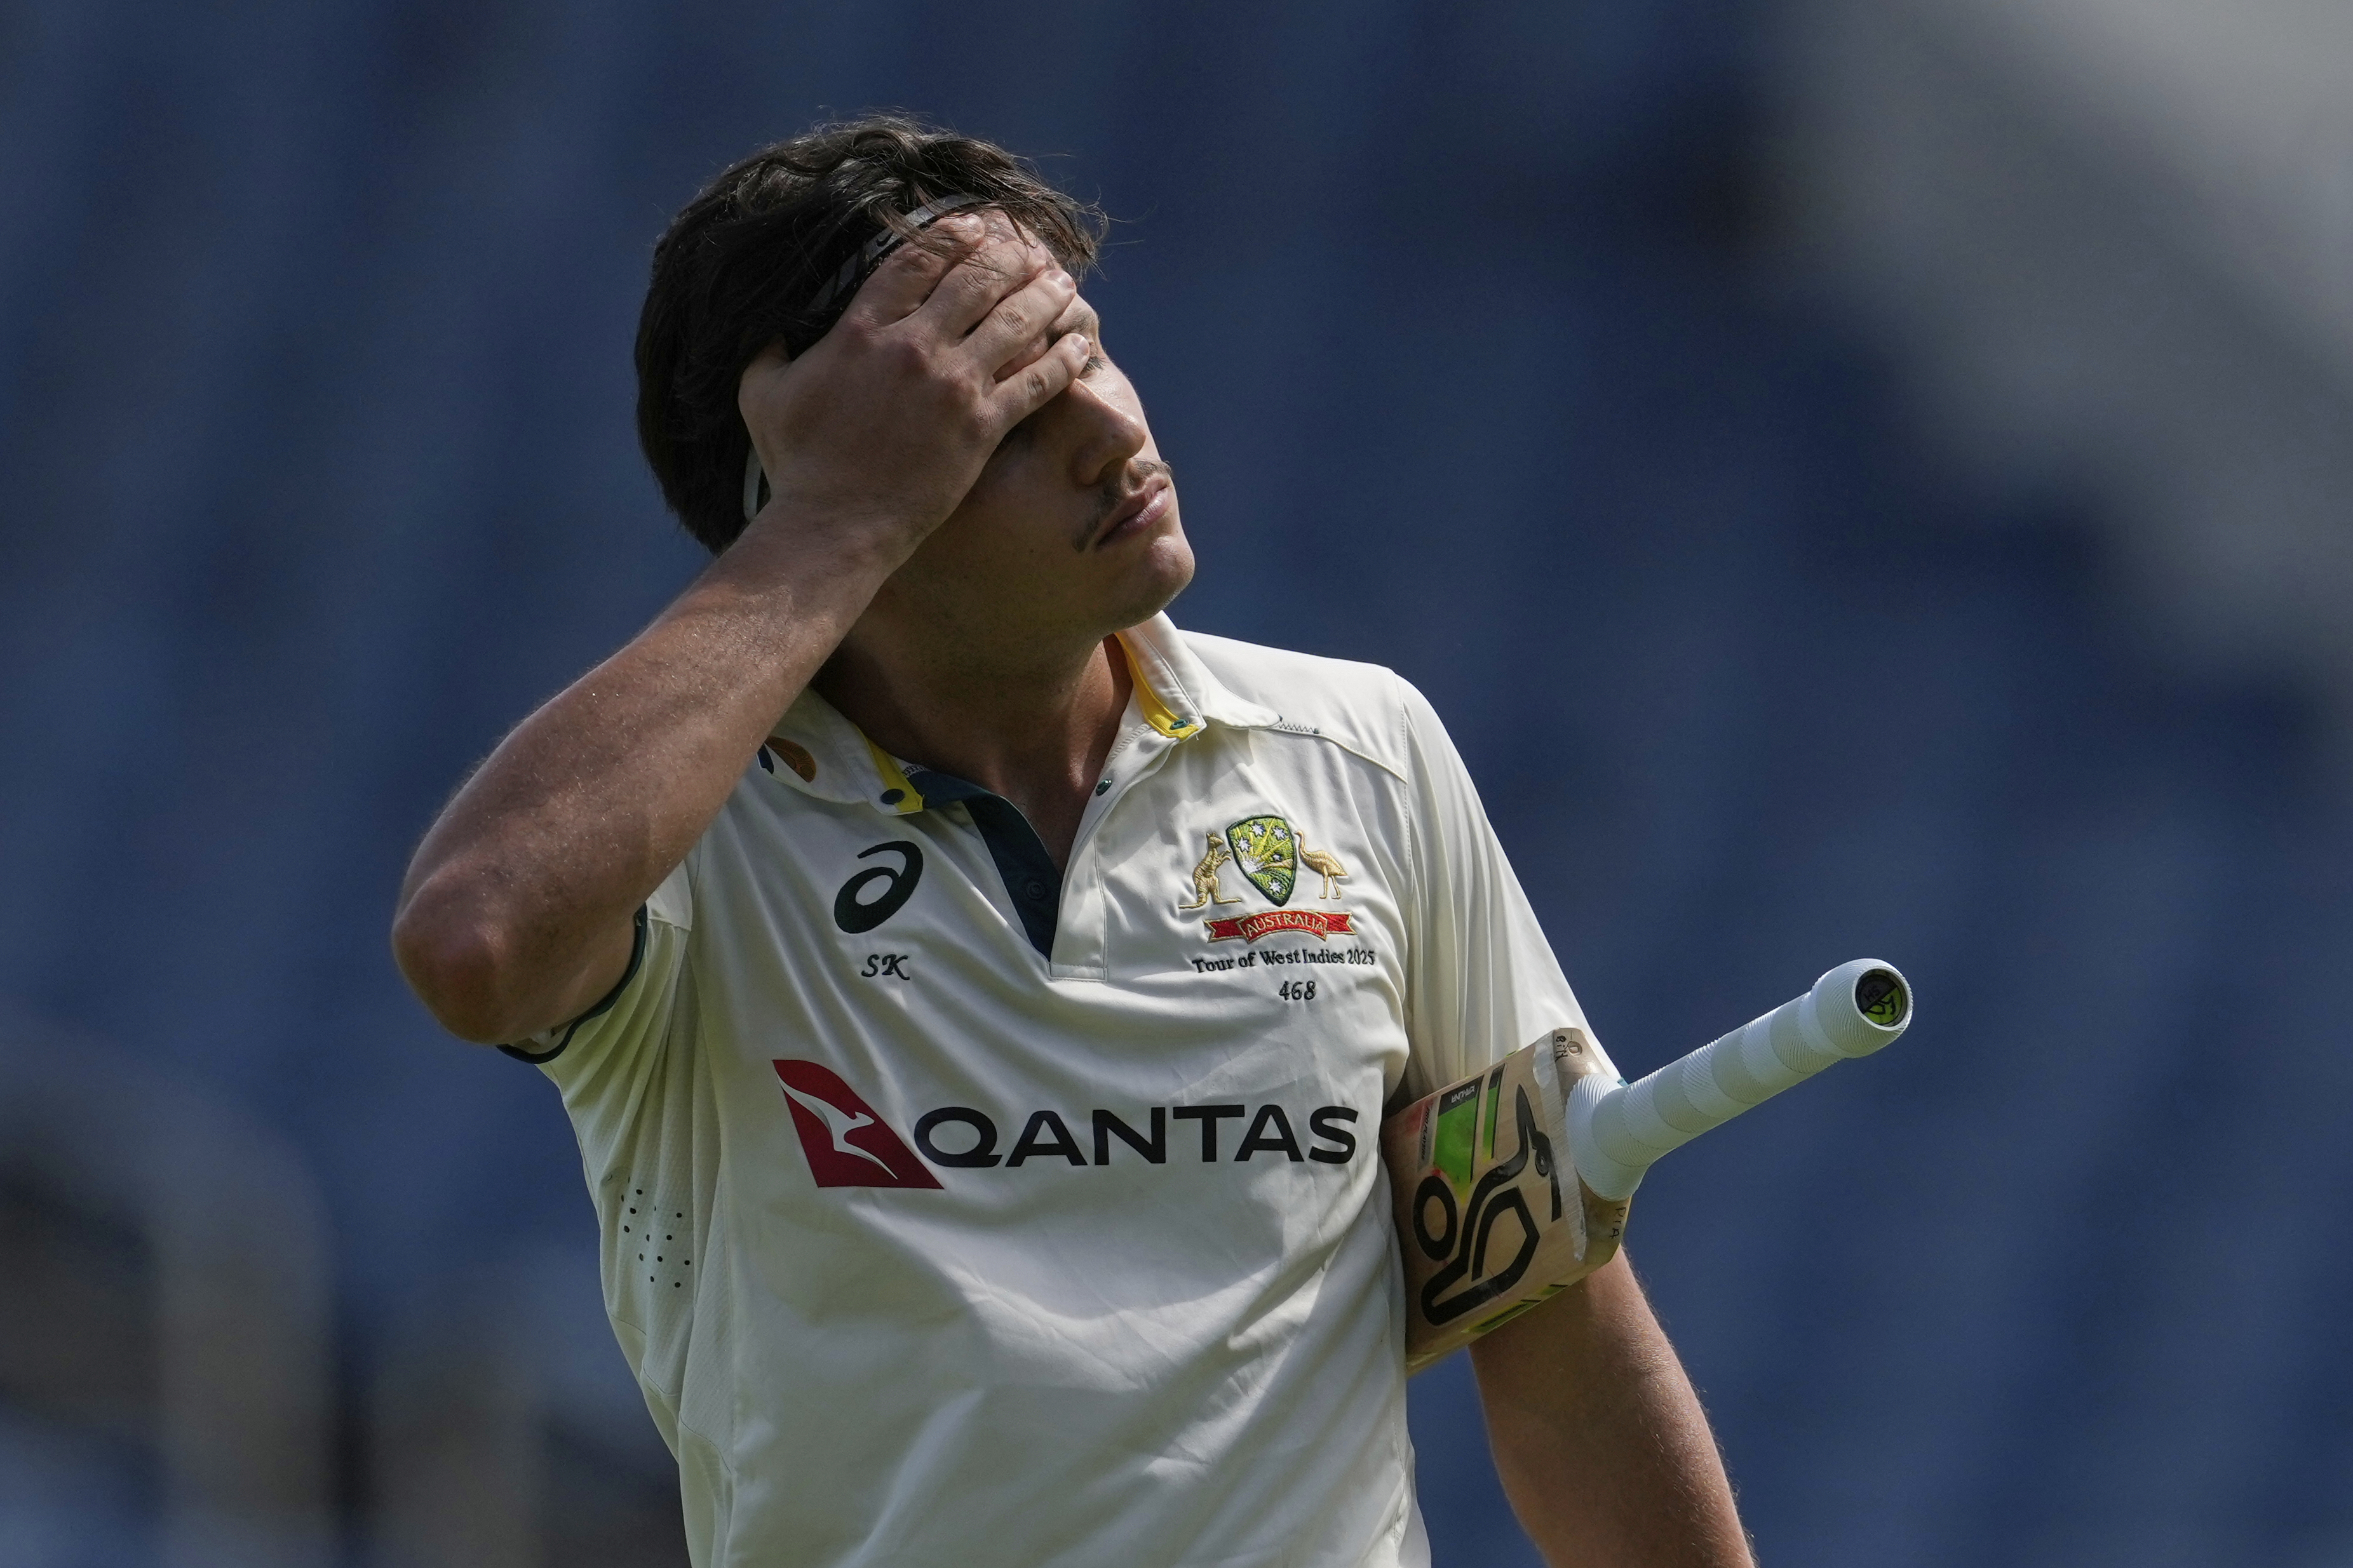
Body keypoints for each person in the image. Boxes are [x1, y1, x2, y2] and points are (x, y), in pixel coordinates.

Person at [392, 114, 1751, 1568]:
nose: (1111, 428)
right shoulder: (685, 844)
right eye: (1003, 422)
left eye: (1084, 350)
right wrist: (838, 514)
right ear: (828, 490)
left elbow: (1552, 1316)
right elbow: (476, 941)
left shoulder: (1360, 755)